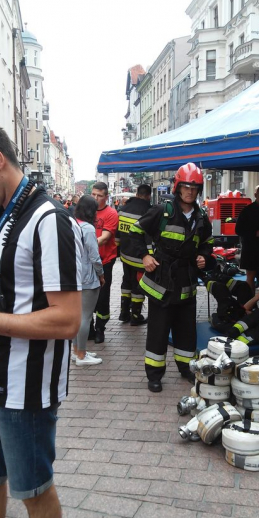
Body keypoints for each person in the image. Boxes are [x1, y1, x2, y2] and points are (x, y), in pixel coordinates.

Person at [0, 126, 82, 518]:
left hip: (25, 389)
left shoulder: (48, 219)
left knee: (33, 491)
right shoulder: (1, 215)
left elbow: (67, 319)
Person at [129, 162, 213, 393]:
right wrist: (145, 256)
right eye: (186, 187)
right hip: (161, 283)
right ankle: (154, 375)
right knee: (158, 331)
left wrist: (205, 257)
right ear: (177, 187)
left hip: (186, 282)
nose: (189, 192)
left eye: (194, 188)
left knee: (187, 331)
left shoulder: (201, 217)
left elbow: (208, 244)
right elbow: (134, 233)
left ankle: (186, 368)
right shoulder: (161, 211)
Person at [72, 195, 105, 365]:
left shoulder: (72, 223)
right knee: (85, 316)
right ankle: (82, 356)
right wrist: (101, 273)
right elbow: (95, 256)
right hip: (88, 277)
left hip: (73, 275)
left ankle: (77, 350)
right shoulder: (88, 229)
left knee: (77, 316)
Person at [116, 184, 152, 325]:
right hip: (139, 257)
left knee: (126, 281)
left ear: (137, 194)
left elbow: (117, 233)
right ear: (148, 196)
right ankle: (136, 316)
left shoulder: (123, 209)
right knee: (138, 285)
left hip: (125, 255)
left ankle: (124, 313)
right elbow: (149, 237)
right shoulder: (148, 211)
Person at [91, 182, 119, 343]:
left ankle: (100, 328)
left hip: (104, 260)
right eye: (93, 194)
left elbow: (106, 238)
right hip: (86, 261)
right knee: (85, 295)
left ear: (106, 197)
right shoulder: (87, 210)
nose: (96, 198)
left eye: (99, 195)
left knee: (102, 295)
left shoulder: (111, 213)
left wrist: (85, 245)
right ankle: (88, 327)